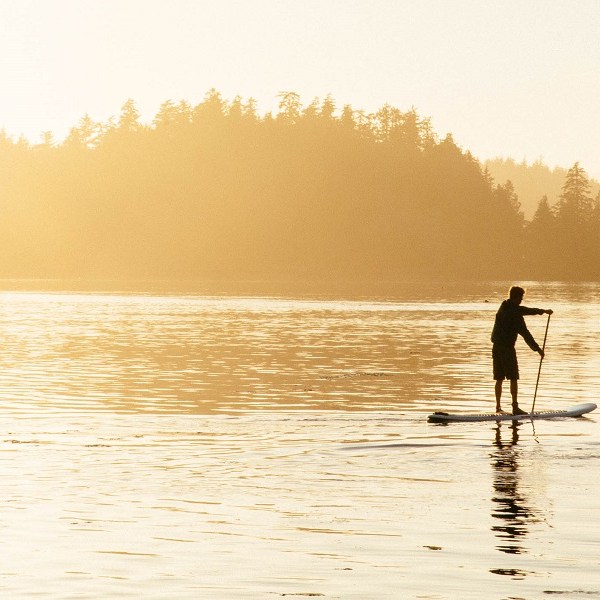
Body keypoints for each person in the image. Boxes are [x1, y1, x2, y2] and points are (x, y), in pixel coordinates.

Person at [491, 286, 553, 415]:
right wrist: (538, 349)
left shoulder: (504, 307)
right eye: (521, 297)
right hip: (507, 348)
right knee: (513, 377)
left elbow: (524, 310)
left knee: (499, 378)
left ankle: (498, 407)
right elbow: (525, 333)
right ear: (516, 297)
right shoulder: (515, 314)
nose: (522, 300)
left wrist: (543, 311)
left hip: (496, 347)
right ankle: (515, 407)